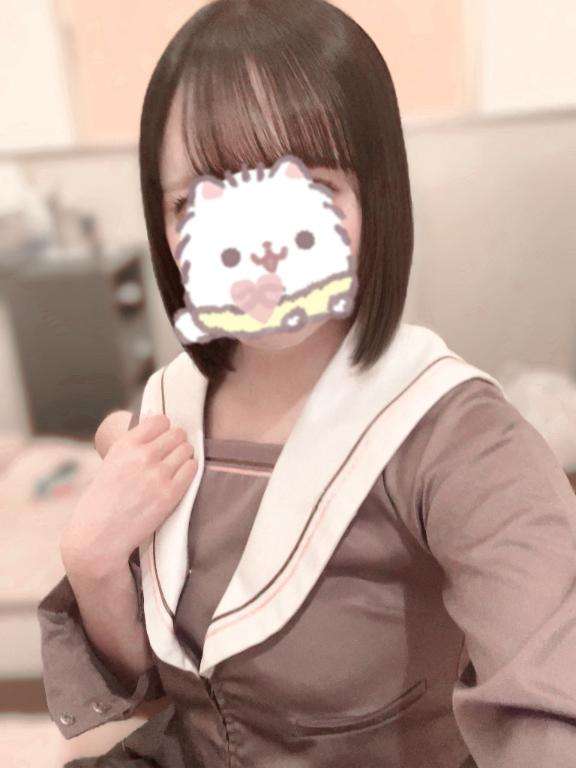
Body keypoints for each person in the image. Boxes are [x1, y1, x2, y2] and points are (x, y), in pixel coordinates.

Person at [37, 1, 576, 766]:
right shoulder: (168, 404)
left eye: (308, 191)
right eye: (198, 203)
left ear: (377, 194)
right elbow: (159, 691)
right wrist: (94, 564)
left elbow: (550, 689)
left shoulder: (456, 437)